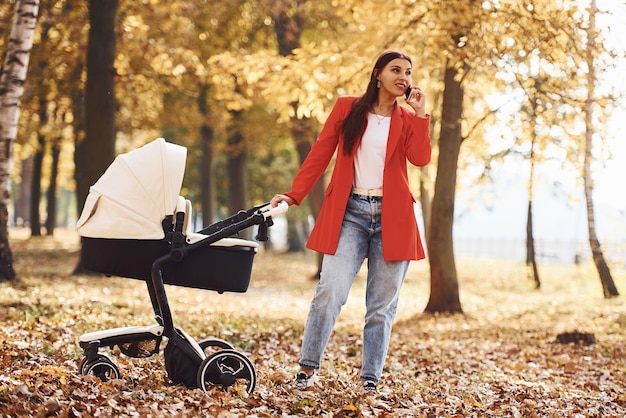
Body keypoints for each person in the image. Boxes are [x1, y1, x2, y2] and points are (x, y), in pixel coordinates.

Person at [270, 50, 431, 394]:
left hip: (394, 217)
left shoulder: (405, 118)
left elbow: (420, 158)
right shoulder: (347, 109)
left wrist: (421, 114)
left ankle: (370, 379)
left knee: (381, 307)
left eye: (408, 72)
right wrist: (293, 195)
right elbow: (320, 153)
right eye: (396, 70)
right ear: (377, 74)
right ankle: (307, 369)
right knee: (330, 290)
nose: (404, 76)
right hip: (350, 214)